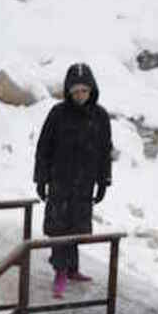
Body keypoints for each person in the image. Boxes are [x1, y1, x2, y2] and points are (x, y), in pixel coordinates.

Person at [34, 63, 112, 301]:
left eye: (84, 91)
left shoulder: (99, 116)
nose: (80, 96)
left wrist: (104, 180)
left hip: (85, 182)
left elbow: (104, 150)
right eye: (75, 92)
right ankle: (59, 272)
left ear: (92, 91)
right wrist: (41, 178)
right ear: (68, 91)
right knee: (59, 226)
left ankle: (73, 268)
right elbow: (43, 147)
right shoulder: (58, 114)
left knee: (78, 225)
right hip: (60, 180)